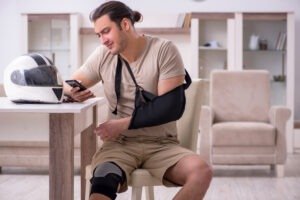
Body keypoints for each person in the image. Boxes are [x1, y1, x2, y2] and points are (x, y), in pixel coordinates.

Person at [65, 1, 212, 200]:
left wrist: (122, 124)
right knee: (102, 180)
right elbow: (71, 83)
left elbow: (170, 107)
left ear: (125, 24)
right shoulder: (103, 55)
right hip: (118, 145)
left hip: (161, 145)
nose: (103, 40)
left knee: (202, 171)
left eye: (106, 31)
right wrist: (71, 92)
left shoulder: (163, 50)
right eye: (99, 35)